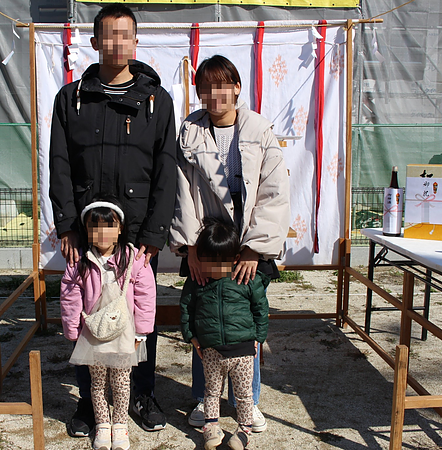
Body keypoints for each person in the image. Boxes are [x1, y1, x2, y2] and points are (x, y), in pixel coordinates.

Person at [49, 3, 176, 436]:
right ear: (95, 42)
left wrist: (155, 233)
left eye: (126, 35)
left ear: (135, 42)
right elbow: (60, 164)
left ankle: (141, 393)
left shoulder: (157, 101)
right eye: (109, 35)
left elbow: (166, 169)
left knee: (138, 316)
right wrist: (67, 225)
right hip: (88, 233)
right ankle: (90, 401)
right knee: (90, 317)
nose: (118, 43)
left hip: (136, 235)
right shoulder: (71, 99)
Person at [170, 55, 290, 431]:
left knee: (242, 325)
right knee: (206, 321)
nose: (214, 94)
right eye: (205, 87)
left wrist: (255, 247)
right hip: (207, 246)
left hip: (247, 246)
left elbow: (274, 190)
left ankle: (247, 402)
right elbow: (183, 192)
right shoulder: (190, 132)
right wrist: (190, 247)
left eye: (222, 85)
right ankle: (204, 401)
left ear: (237, 87)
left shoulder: (259, 129)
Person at [60, 196, 156, 450]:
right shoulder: (80, 261)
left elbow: (146, 294)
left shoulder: (133, 258)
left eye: (109, 226)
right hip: (94, 333)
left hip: (125, 333)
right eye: (95, 227)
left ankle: (120, 425)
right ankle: (103, 424)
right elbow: (70, 295)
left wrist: (143, 331)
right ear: (86, 231)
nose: (103, 233)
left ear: (120, 228)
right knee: (98, 381)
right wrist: (72, 329)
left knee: (123, 381)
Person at [180, 218, 270, 450]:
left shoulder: (247, 278)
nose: (214, 270)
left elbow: (261, 308)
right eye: (208, 263)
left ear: (236, 259)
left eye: (221, 264)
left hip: (243, 352)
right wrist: (191, 336)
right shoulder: (197, 280)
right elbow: (186, 308)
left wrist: (259, 339)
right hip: (210, 352)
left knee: (244, 394)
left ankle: (244, 431)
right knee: (211, 392)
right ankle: (211, 428)